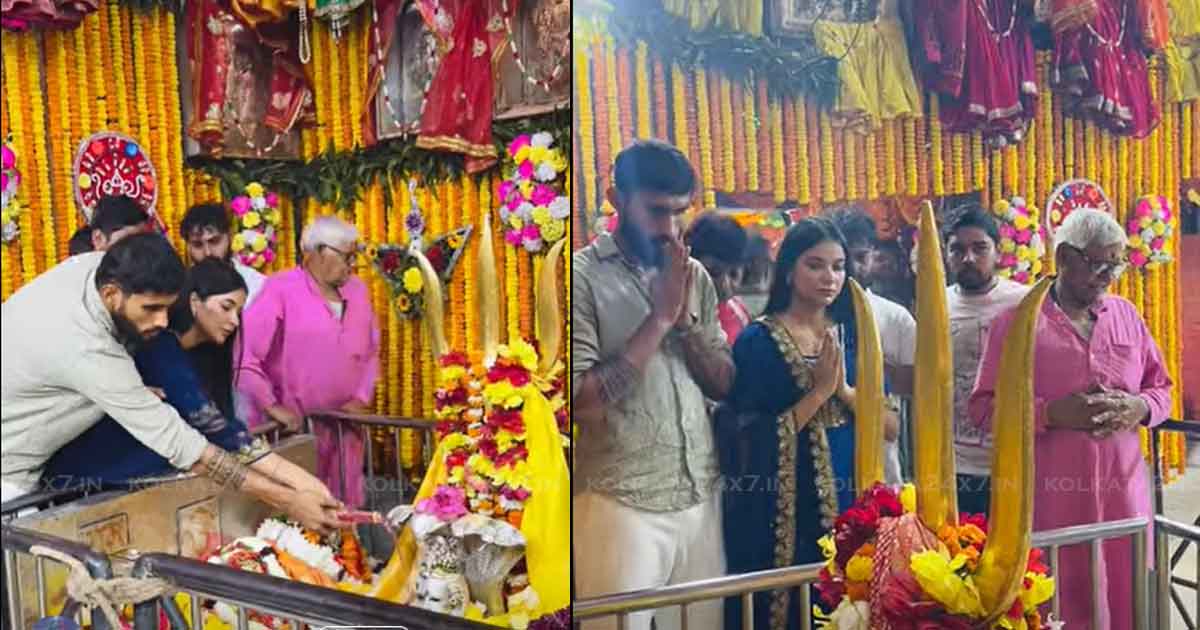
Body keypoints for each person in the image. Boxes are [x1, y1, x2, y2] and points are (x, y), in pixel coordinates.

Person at [1, 234, 345, 532]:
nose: (162, 320)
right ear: (111, 294)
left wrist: (302, 482)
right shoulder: (85, 346)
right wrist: (288, 499)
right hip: (10, 476)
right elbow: (188, 448)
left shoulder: (96, 269)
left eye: (167, 307)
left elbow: (217, 428)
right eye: (150, 308)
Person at [969, 208, 1172, 630]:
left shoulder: (1126, 316)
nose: (1108, 275)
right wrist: (1050, 413)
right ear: (1063, 257)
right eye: (1099, 263)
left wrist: (1139, 408)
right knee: (1058, 604)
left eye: (1116, 264)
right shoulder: (1016, 324)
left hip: (1124, 500)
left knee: (1128, 600)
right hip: (1052, 502)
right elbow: (983, 409)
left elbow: (1163, 390)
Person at [572, 140, 732, 630]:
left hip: (700, 492)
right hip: (619, 500)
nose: (670, 229)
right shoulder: (581, 276)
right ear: (614, 198)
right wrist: (659, 319)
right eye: (656, 211)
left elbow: (724, 382)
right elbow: (580, 400)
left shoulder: (694, 274)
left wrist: (684, 325)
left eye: (680, 213)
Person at [719, 217, 892, 630]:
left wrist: (844, 392)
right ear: (790, 269)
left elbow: (889, 426)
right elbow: (748, 440)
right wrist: (816, 394)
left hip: (852, 487)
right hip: (784, 504)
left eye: (838, 266)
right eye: (815, 265)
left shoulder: (855, 335)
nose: (828, 278)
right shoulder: (758, 342)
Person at [42, 260, 329, 502]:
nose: (234, 321)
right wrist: (298, 485)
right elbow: (214, 426)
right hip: (90, 483)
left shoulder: (204, 356)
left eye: (238, 312)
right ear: (194, 302)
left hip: (141, 484)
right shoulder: (159, 346)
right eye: (226, 307)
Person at [236, 216, 380, 509]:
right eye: (346, 256)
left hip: (345, 430)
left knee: (343, 512)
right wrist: (271, 406)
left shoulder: (358, 290)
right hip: (294, 434)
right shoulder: (279, 289)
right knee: (299, 515)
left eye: (355, 256)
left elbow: (371, 352)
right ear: (317, 252)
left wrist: (361, 398)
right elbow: (244, 358)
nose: (352, 264)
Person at [943, 207, 1028, 517]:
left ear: (997, 251)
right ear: (947, 254)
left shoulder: (1025, 302)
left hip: (1013, 457)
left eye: (979, 248)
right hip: (954, 462)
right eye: (958, 249)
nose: (968, 258)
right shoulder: (937, 304)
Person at [829, 208, 912, 485]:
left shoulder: (894, 317)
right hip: (825, 465)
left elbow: (918, 386)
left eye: (861, 257)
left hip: (881, 465)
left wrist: (864, 366)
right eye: (844, 258)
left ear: (874, 255)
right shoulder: (810, 318)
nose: (853, 268)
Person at [685, 210, 752, 345]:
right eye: (714, 273)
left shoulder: (739, 310)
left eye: (734, 274)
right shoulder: (679, 315)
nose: (725, 285)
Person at [181, 203, 267, 306]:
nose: (207, 252)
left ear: (230, 236)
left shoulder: (257, 286)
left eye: (214, 241)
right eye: (197, 245)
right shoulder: (180, 289)